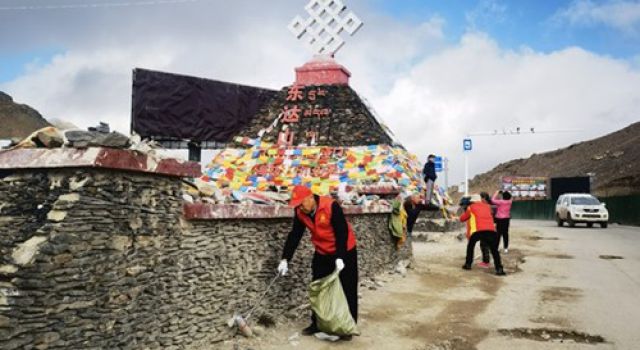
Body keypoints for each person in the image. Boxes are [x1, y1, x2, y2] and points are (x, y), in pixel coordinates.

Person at [277, 185, 358, 339]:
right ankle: (317, 324)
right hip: (322, 252)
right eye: (297, 204)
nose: (300, 207)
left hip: (345, 250)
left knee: (348, 287)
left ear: (310, 197)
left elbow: (342, 232)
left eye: (302, 203)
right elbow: (295, 235)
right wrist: (285, 259)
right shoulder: (300, 212)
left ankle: (348, 326)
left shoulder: (330, 206)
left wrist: (340, 257)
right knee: (318, 288)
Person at [459, 194, 506, 276]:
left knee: (470, 246)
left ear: (472, 201)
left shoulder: (471, 207)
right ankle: (499, 269)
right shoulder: (488, 206)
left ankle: (468, 264)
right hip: (491, 230)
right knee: (494, 251)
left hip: (478, 231)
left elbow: (462, 218)